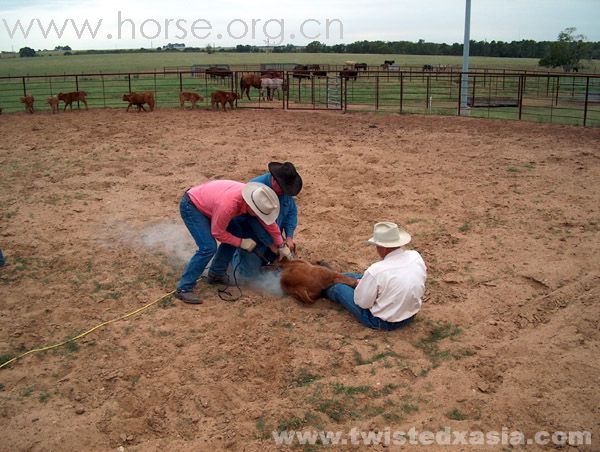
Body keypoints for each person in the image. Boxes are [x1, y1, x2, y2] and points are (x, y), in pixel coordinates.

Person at [174, 180, 291, 304]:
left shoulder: (255, 199)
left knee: (235, 232)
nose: (260, 216)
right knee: (208, 247)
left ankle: (216, 274)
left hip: (210, 203)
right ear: (252, 207)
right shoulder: (228, 206)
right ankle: (184, 288)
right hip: (192, 206)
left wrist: (281, 245)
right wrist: (241, 243)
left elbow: (270, 225)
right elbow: (218, 233)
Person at [207, 161, 302, 281]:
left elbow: (291, 211)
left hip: (274, 233)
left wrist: (289, 237)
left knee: (277, 260)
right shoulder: (255, 189)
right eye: (283, 190)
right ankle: (233, 258)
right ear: (274, 180)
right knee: (247, 275)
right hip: (251, 234)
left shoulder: (284, 189)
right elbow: (254, 222)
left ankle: (267, 257)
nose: (285, 193)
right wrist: (271, 244)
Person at [324, 221, 427, 330]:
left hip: (381, 321)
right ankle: (326, 277)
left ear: (384, 248)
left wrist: (360, 287)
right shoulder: (415, 257)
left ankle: (319, 287)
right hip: (410, 314)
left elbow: (362, 303)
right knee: (348, 277)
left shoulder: (376, 270)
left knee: (338, 288)